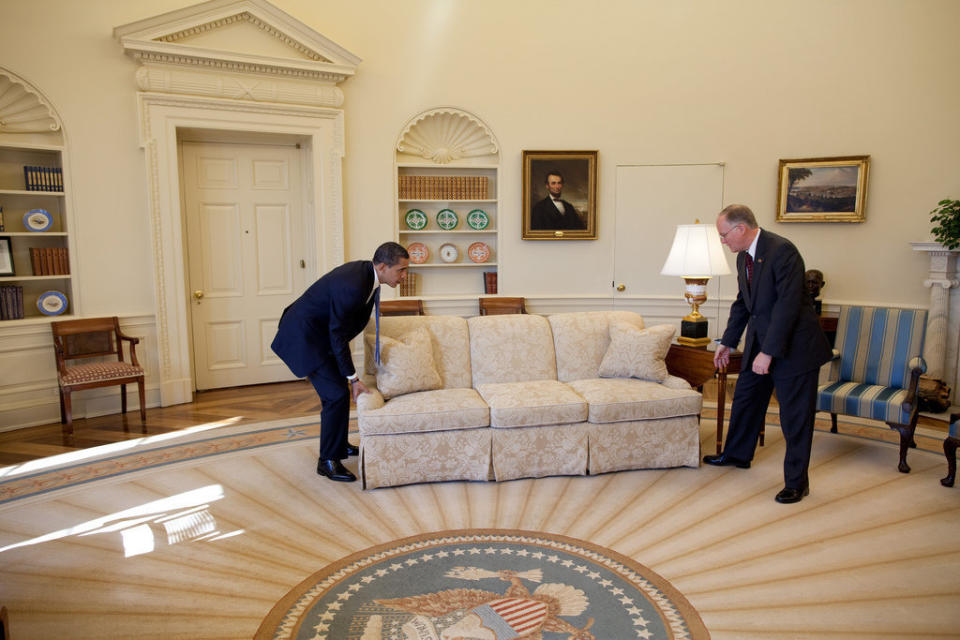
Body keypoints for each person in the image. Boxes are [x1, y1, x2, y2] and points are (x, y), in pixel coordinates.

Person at [705, 205, 832, 504]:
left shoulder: (783, 251)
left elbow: (787, 308)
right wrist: (728, 341)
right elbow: (743, 303)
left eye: (724, 235)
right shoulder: (742, 258)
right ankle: (737, 455)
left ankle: (797, 483)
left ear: (741, 229)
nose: (723, 241)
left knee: (795, 418)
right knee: (746, 399)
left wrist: (768, 352)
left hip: (795, 349)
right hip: (761, 343)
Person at [271, 242, 409, 482]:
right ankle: (327, 461)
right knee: (336, 394)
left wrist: (349, 376)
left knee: (338, 395)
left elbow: (340, 330)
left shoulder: (368, 276)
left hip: (320, 336)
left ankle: (340, 446)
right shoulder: (353, 285)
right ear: (384, 266)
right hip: (305, 338)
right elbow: (337, 334)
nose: (405, 276)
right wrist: (352, 377)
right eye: (401, 270)